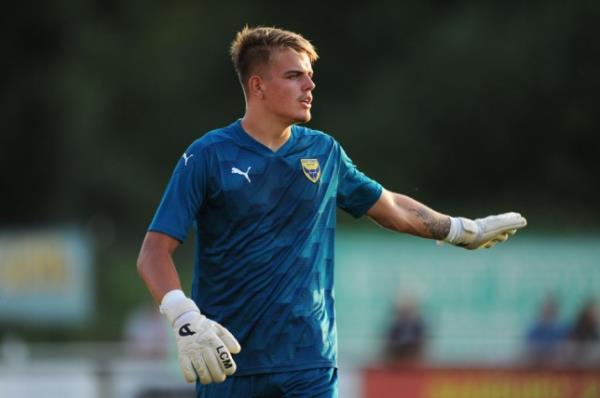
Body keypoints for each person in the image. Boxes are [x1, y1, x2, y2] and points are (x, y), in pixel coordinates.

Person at [136, 26, 527, 398]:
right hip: (229, 359)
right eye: (294, 76)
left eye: (309, 76)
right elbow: (154, 251)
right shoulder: (208, 155)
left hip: (309, 362)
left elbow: (389, 207)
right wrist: (183, 316)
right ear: (258, 86)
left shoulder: (323, 152)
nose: (310, 86)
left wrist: (460, 230)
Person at [524, 294, 567, 367]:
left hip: (556, 366)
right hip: (537, 366)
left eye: (552, 307)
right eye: (547, 307)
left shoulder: (562, 330)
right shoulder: (535, 329)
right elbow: (529, 351)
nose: (549, 310)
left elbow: (565, 351)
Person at [385, 296, 427, 365]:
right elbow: (390, 341)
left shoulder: (418, 324)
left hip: (414, 354)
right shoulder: (395, 324)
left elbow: (420, 341)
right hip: (397, 354)